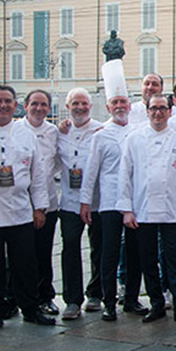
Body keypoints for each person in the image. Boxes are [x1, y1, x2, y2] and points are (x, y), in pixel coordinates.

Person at [0, 85, 55, 327]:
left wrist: (40, 208)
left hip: (19, 211)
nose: (3, 105)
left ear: (15, 105)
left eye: (8, 101)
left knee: (25, 263)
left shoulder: (26, 134)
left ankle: (30, 308)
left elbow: (37, 174)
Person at [117, 94, 176, 325]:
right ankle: (156, 304)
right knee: (147, 261)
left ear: (169, 111)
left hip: (171, 211)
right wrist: (126, 209)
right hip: (142, 210)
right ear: (147, 111)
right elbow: (125, 175)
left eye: (162, 108)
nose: (158, 112)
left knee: (174, 260)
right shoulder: (134, 139)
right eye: (153, 108)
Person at [80, 64, 149, 322]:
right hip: (108, 204)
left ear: (129, 106)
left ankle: (131, 298)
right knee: (108, 253)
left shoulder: (137, 134)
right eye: (115, 103)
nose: (120, 106)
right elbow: (91, 172)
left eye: (123, 101)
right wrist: (86, 202)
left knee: (135, 253)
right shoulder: (100, 136)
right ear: (108, 108)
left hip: (134, 203)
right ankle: (109, 301)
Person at [56, 89, 104, 320]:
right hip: (70, 201)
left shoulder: (100, 129)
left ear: (90, 106)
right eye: (75, 103)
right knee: (70, 248)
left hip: (96, 201)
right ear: (68, 107)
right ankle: (72, 300)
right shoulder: (61, 132)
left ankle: (96, 293)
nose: (80, 107)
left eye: (84, 103)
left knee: (99, 248)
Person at [17, 90, 62, 316]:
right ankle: (19, 296)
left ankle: (46, 296)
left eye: (44, 105)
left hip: (48, 202)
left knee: (44, 252)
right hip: (20, 203)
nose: (39, 108)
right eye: (34, 104)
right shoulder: (16, 129)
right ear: (25, 106)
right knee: (21, 254)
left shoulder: (54, 131)